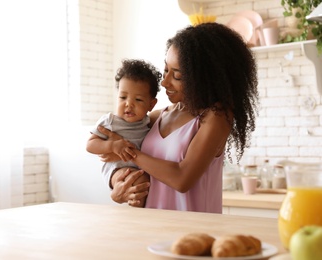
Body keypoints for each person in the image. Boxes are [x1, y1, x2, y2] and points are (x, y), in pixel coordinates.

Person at [97, 23, 259, 212]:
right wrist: (116, 186)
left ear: (204, 77)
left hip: (194, 233)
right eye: (166, 70)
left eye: (177, 76)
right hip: (151, 228)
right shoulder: (159, 116)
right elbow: (108, 149)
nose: (164, 82)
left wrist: (128, 151)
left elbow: (182, 179)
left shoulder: (216, 117)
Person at [86, 59, 161, 207]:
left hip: (141, 169)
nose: (129, 104)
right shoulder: (110, 121)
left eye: (138, 99)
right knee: (139, 183)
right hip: (117, 170)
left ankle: (138, 218)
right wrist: (112, 146)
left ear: (151, 104)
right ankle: (136, 219)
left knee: (144, 184)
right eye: (123, 97)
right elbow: (90, 145)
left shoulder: (149, 124)